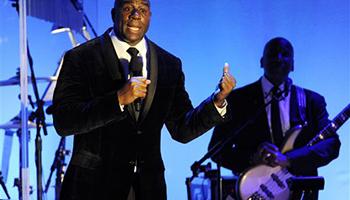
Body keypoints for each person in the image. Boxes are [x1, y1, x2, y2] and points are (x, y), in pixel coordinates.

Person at [51, 0, 236, 199]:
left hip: (149, 188)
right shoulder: (80, 58)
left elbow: (182, 128)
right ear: (114, 14)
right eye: (128, 8)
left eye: (143, 9)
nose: (136, 15)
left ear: (149, 16)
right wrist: (117, 100)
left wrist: (217, 102)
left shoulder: (169, 64)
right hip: (93, 187)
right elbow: (64, 121)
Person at [208, 37, 340, 199]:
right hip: (256, 191)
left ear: (292, 64)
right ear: (262, 61)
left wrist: (289, 160)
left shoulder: (312, 101)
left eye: (285, 54)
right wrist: (252, 158)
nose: (278, 58)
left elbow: (332, 145)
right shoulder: (238, 100)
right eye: (273, 54)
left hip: (301, 192)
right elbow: (216, 150)